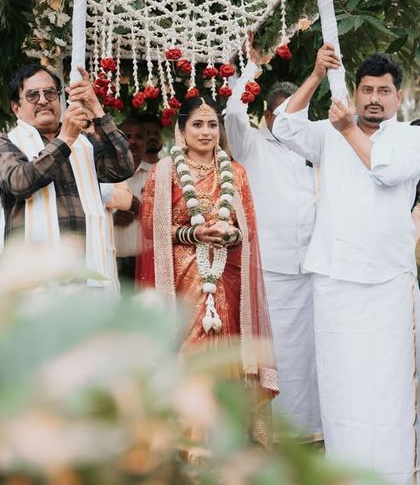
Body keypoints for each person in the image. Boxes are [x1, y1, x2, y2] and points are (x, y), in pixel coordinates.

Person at [273, 46, 420, 484]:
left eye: (384, 91)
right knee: (341, 386)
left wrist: (346, 129)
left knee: (386, 386)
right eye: (367, 90)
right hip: (335, 277)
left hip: (389, 280)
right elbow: (283, 125)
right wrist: (317, 74)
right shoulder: (326, 131)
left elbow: (384, 170)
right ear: (354, 93)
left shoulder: (412, 139)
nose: (374, 98)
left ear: (398, 97)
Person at [137, 96, 279, 443]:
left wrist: (231, 234)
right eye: (197, 125)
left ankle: (227, 442)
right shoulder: (165, 172)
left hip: (227, 282)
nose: (206, 132)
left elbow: (248, 229)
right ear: (182, 131)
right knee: (191, 354)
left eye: (212, 124)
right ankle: (188, 444)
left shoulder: (235, 172)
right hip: (184, 284)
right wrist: (195, 232)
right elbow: (152, 228)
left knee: (228, 355)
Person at [224, 47, 321, 441]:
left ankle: (310, 430)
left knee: (309, 356)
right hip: (271, 271)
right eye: (278, 113)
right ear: (266, 115)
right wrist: (253, 65)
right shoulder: (251, 145)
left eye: (292, 113)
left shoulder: (312, 146)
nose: (284, 120)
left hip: (313, 268)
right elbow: (232, 113)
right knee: (275, 355)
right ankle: (270, 433)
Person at [0, 63, 134, 288]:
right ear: (16, 107)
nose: (43, 100)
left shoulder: (86, 142)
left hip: (91, 275)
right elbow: (18, 181)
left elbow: (123, 166)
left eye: (50, 92)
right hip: (33, 283)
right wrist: (66, 139)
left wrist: (96, 108)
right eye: (32, 95)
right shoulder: (8, 142)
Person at [113, 115, 163, 289]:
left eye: (139, 137)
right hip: (112, 265)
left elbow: (168, 221)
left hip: (147, 263)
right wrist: (112, 219)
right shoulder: (104, 175)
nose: (133, 142)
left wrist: (140, 209)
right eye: (127, 136)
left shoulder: (158, 175)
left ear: (145, 142)